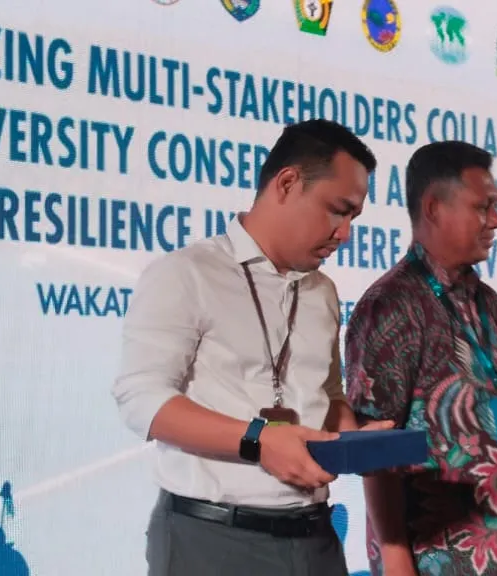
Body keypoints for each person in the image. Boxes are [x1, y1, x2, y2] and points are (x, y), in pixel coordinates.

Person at [112, 119, 389, 576]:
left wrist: (354, 440)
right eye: (337, 211)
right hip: (212, 539)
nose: (345, 234)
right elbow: (141, 399)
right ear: (287, 183)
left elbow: (328, 397)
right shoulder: (186, 273)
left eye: (353, 219)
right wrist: (258, 440)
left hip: (315, 536)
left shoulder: (321, 291)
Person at [344, 141, 497, 576]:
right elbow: (373, 450)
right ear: (434, 208)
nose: (496, 221)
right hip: (444, 563)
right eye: (483, 207)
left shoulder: (491, 305)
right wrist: (395, 560)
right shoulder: (391, 306)